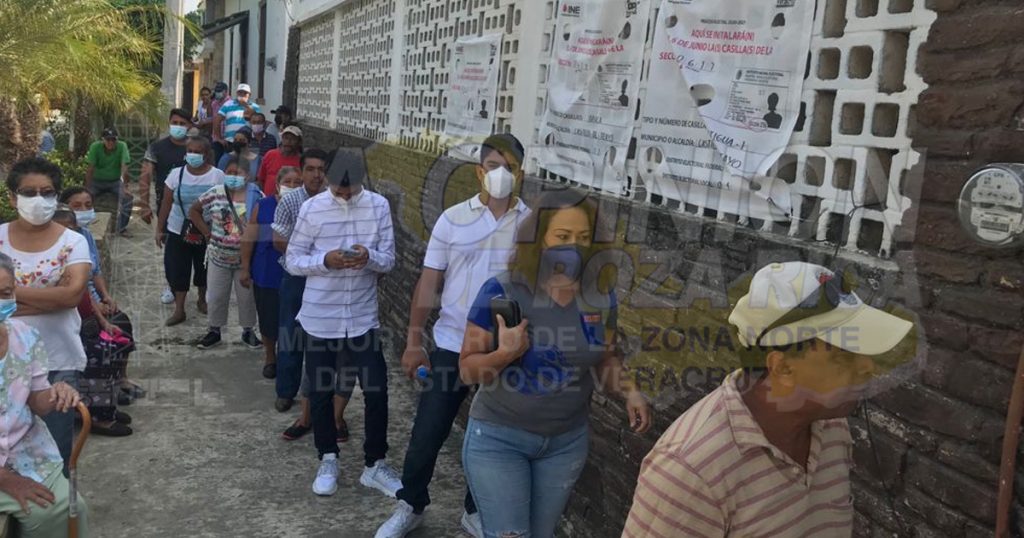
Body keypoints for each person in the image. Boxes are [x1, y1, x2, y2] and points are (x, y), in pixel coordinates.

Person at [622, 262, 915, 537]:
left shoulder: (830, 426)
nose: (868, 367)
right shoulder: (690, 472)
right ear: (783, 367)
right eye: (844, 354)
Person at [459, 189, 652, 538]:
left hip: (565, 444)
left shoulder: (600, 295)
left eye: (583, 237)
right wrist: (505, 354)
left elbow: (605, 355)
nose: (574, 247)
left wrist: (630, 392)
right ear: (540, 239)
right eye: (562, 236)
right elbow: (467, 369)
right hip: (499, 440)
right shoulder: (503, 291)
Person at [375, 134, 532, 538]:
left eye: (509, 167)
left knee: (495, 440)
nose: (501, 174)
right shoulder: (453, 219)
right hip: (450, 343)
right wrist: (414, 342)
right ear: (479, 171)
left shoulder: (531, 226)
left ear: (522, 173)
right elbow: (429, 283)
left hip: (506, 352)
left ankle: (474, 511)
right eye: (493, 165)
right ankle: (411, 504)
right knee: (428, 431)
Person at [285, 149, 401, 499]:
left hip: (363, 318)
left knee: (376, 389)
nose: (345, 195)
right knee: (320, 391)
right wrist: (326, 261)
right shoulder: (312, 208)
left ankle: (375, 464)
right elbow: (292, 260)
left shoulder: (378, 206)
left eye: (350, 189)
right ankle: (328, 457)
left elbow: (389, 260)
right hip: (321, 316)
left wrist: (369, 258)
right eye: (338, 188)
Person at [0, 158, 93, 474]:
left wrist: (9, 293)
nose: (38, 199)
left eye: (47, 192)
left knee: (55, 459)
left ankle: (53, 519)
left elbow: (71, 296)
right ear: (12, 196)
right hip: (4, 364)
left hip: (57, 363)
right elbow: (60, 298)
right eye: (28, 192)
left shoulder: (73, 242)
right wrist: (50, 298)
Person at [0, 251, 88, 537]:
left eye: (5, 292)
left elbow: (38, 402)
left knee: (72, 507)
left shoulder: (23, 336)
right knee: (42, 514)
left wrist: (58, 391)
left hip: (24, 450)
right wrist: (5, 479)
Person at [271, 150, 353, 442]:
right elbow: (279, 239)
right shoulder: (292, 200)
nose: (316, 175)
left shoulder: (345, 201)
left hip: (335, 280)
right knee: (292, 335)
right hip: (298, 277)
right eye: (311, 169)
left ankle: (331, 413)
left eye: (321, 169)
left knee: (333, 347)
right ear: (302, 171)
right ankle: (286, 391)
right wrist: (314, 258)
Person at [59, 187, 145, 406]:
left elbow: (95, 273)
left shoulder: (86, 235)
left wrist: (106, 296)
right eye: (76, 206)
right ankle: (98, 396)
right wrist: (97, 307)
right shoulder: (60, 238)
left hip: (93, 297)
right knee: (99, 336)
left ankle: (120, 379)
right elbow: (75, 284)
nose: (84, 211)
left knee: (122, 322)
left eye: (88, 205)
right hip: (80, 302)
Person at [51, 207, 133, 437]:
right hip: (65, 329)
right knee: (99, 358)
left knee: (115, 343)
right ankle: (98, 417)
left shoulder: (74, 256)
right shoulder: (49, 263)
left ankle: (106, 408)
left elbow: (86, 293)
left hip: (85, 321)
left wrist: (103, 322)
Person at [187, 158, 263, 350]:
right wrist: (206, 232)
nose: (233, 176)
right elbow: (194, 210)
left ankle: (248, 331)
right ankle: (214, 331)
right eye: (229, 172)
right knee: (217, 296)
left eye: (238, 173)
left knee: (247, 297)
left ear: (247, 175)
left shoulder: (256, 195)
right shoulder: (215, 192)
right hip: (218, 256)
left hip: (245, 260)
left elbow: (264, 218)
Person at [240, 166, 303, 379]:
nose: (292, 186)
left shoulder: (307, 207)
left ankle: (290, 360)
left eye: (297, 182)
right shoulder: (263, 206)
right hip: (266, 270)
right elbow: (249, 238)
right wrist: (245, 268)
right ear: (277, 185)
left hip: (295, 271)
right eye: (288, 182)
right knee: (268, 318)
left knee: (292, 321)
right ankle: (270, 357)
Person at [156, 136, 225, 326]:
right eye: (190, 151)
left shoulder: (217, 175)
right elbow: (166, 202)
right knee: (178, 268)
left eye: (198, 151)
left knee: (204, 267)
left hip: (207, 229)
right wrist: (159, 228)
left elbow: (225, 202)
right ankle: (179, 309)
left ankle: (202, 300)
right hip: (178, 228)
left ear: (206, 154)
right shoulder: (176, 175)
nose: (193, 155)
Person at [138, 108, 193, 306]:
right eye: (174, 122)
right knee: (172, 251)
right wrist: (144, 205)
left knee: (197, 250)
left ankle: (201, 291)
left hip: (196, 208)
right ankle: (172, 286)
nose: (178, 126)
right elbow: (145, 176)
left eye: (182, 123)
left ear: (190, 125)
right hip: (167, 207)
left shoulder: (197, 148)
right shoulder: (157, 148)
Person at [84, 127, 133, 236]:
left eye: (113, 139)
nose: (110, 142)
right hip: (97, 182)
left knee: (128, 199)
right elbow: (90, 168)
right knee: (85, 198)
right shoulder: (95, 147)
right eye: (108, 140)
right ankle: (84, 225)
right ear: (103, 140)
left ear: (117, 139)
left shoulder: (122, 146)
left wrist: (124, 186)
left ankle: (121, 228)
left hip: (115, 182)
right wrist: (87, 188)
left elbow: (124, 166)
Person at [214, 83, 261, 152]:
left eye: (245, 93)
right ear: (237, 93)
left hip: (248, 142)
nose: (242, 94)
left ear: (249, 95)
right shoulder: (228, 104)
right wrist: (219, 138)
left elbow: (258, 120)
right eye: (240, 92)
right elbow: (217, 120)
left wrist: (246, 105)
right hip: (230, 141)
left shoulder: (255, 107)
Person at [257, 125, 303, 195]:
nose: (288, 141)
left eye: (293, 139)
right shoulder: (270, 154)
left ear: (299, 142)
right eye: (286, 138)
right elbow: (261, 178)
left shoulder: (301, 161)